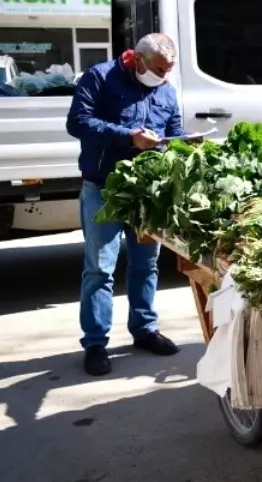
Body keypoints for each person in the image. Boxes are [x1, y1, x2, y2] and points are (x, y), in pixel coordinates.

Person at [66, 33, 185, 377]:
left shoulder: (166, 89)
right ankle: (95, 343)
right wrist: (128, 135)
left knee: (146, 265)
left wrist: (182, 146)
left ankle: (144, 329)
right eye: (159, 69)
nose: (164, 76)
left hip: (146, 192)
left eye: (169, 70)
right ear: (138, 60)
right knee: (100, 269)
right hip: (103, 188)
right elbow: (78, 122)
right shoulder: (100, 77)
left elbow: (173, 132)